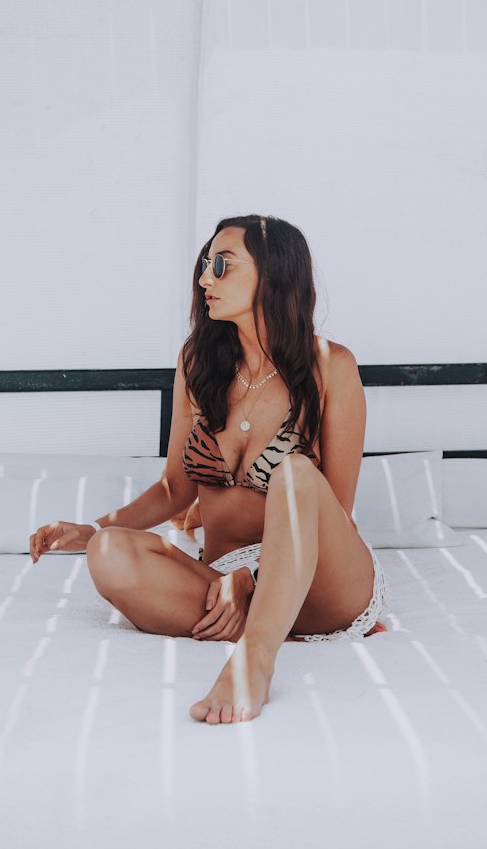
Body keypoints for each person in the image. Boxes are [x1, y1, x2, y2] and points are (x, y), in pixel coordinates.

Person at [29, 214, 385, 724]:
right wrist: (93, 530)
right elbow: (175, 487)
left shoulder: (331, 366)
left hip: (323, 581)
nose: (204, 280)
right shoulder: (198, 365)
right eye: (204, 266)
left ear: (274, 273)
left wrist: (255, 574)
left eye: (222, 265)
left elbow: (337, 509)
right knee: (108, 553)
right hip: (221, 580)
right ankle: (259, 615)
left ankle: (256, 658)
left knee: (294, 474)